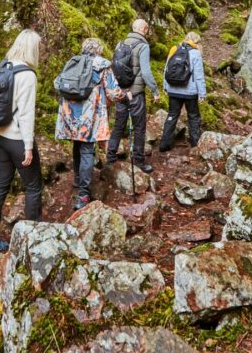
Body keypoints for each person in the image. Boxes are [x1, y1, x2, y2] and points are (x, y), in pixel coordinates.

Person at [0, 29, 44, 252]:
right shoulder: (27, 75)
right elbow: (26, 114)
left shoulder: (4, 67)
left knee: (0, 184)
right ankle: (33, 240)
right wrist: (28, 147)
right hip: (16, 138)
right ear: (32, 48)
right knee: (34, 187)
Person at [55, 37, 124, 210]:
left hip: (70, 114)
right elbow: (113, 92)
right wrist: (125, 95)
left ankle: (78, 180)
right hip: (89, 115)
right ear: (99, 50)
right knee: (87, 150)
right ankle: (83, 195)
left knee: (77, 145)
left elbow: (59, 83)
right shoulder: (102, 65)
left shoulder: (74, 62)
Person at [107, 18, 159, 173]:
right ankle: (138, 161)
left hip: (121, 92)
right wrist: (155, 90)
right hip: (136, 94)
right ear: (144, 29)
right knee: (139, 128)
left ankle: (110, 157)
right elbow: (146, 72)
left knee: (118, 126)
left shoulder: (120, 43)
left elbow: (114, 67)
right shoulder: (143, 46)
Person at [159, 31, 207, 151]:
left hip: (173, 89)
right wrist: (202, 93)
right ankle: (195, 144)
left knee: (172, 114)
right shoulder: (196, 53)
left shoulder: (174, 49)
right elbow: (199, 76)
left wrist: (165, 86)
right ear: (197, 42)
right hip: (190, 92)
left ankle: (164, 144)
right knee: (193, 116)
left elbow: (166, 69)